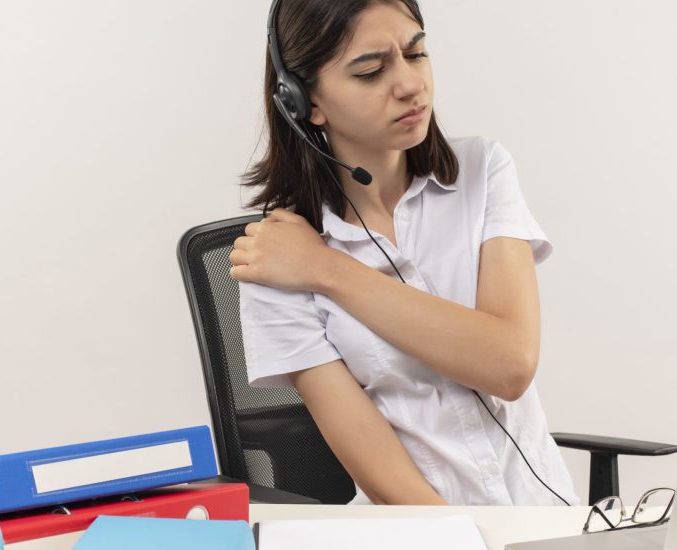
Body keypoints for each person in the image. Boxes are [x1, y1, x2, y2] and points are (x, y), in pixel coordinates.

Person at [230, 0, 579, 506]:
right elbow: (390, 485)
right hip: (421, 534)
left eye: (416, 55)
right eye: (371, 71)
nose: (410, 84)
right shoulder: (273, 263)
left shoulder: (482, 171)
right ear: (306, 102)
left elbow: (510, 365)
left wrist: (327, 270)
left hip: (549, 521)